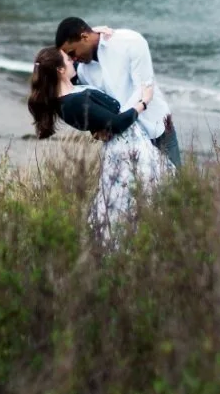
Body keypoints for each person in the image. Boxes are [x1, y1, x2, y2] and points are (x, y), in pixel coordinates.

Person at [27, 45, 171, 241]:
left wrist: (96, 34)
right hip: (126, 149)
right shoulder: (71, 102)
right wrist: (144, 102)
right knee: (141, 198)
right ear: (60, 70)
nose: (72, 60)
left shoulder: (69, 91)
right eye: (68, 60)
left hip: (127, 144)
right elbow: (117, 123)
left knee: (139, 197)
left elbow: (97, 119)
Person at [54, 17, 182, 170]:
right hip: (123, 143)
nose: (73, 59)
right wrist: (97, 129)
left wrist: (115, 122)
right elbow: (91, 106)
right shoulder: (81, 70)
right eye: (69, 57)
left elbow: (143, 88)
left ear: (85, 37)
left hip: (156, 128)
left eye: (72, 52)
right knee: (138, 192)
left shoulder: (129, 41)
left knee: (175, 187)